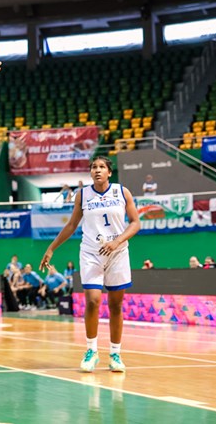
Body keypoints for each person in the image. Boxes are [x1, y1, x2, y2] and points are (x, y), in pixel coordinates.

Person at [39, 155, 140, 373]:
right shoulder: (83, 195)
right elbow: (72, 225)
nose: (97, 170)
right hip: (91, 252)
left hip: (118, 252)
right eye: (94, 167)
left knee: (115, 305)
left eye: (102, 167)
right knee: (93, 301)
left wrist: (117, 241)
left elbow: (135, 223)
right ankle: (91, 351)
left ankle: (115, 354)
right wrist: (51, 248)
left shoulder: (122, 192)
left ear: (109, 172)